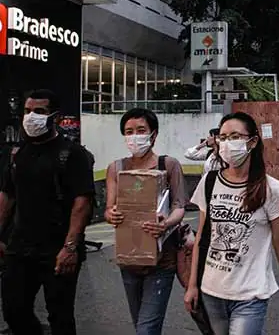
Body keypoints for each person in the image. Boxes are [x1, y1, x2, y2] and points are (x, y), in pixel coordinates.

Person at [184, 112, 279, 334]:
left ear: (252, 142)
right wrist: (192, 285)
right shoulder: (209, 182)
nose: (227, 144)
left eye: (235, 136)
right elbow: (202, 238)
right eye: (223, 138)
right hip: (211, 289)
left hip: (250, 293)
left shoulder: (270, 189)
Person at [0, 89, 95, 335]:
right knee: (13, 310)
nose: (31, 116)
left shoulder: (72, 154)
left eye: (39, 111)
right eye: (28, 111)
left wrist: (70, 247)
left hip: (58, 249)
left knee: (60, 316)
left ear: (55, 116)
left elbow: (82, 202)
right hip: (20, 247)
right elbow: (7, 196)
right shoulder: (18, 154)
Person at [104, 108, 186, 335]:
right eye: (129, 132)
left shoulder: (168, 165)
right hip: (129, 260)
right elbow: (108, 208)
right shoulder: (116, 168)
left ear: (153, 134)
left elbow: (179, 206)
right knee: (141, 323)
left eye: (141, 130)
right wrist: (112, 214)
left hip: (161, 260)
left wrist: (166, 223)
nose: (134, 136)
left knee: (146, 328)